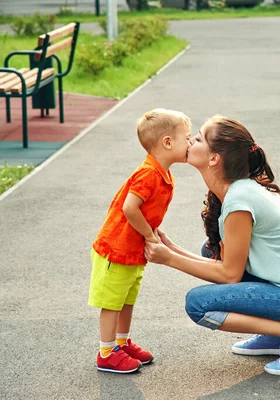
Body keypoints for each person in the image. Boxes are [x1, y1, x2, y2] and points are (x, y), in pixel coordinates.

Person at [144, 115, 280, 376]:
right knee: (211, 251)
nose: (192, 139)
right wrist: (171, 248)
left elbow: (230, 275)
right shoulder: (238, 190)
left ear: (214, 158)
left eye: (200, 137)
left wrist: (169, 259)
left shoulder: (239, 200)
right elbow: (227, 268)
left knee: (197, 304)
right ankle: (275, 332)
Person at [88, 108, 192, 374]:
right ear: (167, 142)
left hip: (132, 251)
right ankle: (106, 352)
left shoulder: (162, 174)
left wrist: (153, 233)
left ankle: (121, 343)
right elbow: (129, 207)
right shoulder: (148, 174)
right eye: (187, 138)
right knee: (112, 302)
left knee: (126, 299)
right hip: (117, 250)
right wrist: (149, 234)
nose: (191, 143)